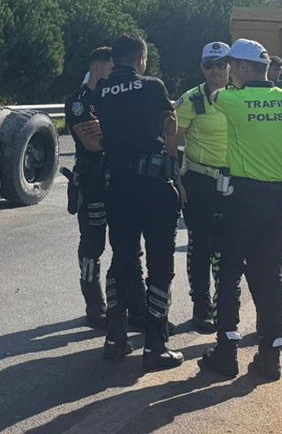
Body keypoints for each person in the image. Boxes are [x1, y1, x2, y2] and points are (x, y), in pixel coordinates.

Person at [199, 39, 282, 381]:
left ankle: (226, 352)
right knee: (270, 277)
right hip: (278, 202)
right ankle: (270, 357)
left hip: (241, 201)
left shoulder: (230, 99)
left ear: (242, 68)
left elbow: (213, 96)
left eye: (231, 66)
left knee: (228, 274)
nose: (227, 71)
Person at [91, 34, 183, 371]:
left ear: (115, 60)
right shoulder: (153, 86)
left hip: (117, 187)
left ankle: (115, 338)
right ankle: (155, 345)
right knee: (160, 263)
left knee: (123, 259)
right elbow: (170, 125)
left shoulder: (101, 92)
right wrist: (175, 168)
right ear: (141, 59)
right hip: (154, 186)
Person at [63, 47, 147, 330]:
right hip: (92, 182)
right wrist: (124, 134)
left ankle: (136, 306)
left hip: (122, 181)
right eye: (113, 68)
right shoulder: (78, 102)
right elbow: (93, 143)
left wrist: (110, 130)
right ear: (98, 68)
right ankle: (94, 303)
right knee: (92, 245)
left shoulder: (115, 97)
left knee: (130, 247)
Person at [168, 42, 231, 335]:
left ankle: (225, 307)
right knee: (200, 246)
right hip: (200, 181)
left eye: (221, 64)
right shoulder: (191, 100)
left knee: (230, 247)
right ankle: (201, 307)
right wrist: (176, 179)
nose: (216, 71)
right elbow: (172, 140)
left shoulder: (241, 97)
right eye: (210, 65)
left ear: (230, 66)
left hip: (235, 182)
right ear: (202, 68)